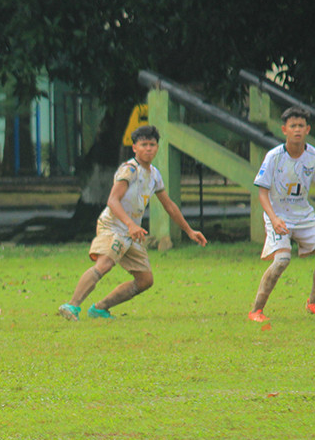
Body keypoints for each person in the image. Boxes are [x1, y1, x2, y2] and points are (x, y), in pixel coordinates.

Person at [57, 125, 207, 321]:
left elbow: (169, 205)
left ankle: (100, 308)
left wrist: (189, 231)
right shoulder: (129, 170)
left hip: (130, 231)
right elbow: (112, 200)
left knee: (145, 280)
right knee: (105, 264)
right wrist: (130, 224)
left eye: (152, 144)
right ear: (134, 147)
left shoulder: (154, 174)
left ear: (157, 147)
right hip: (113, 226)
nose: (148, 148)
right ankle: (72, 306)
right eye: (143, 144)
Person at [248, 106, 315, 322]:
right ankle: (256, 309)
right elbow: (262, 192)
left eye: (301, 126)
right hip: (278, 214)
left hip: (303, 215)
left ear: (308, 129)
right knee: (282, 260)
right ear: (284, 129)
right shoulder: (273, 157)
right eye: (293, 126)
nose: (297, 130)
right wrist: (274, 218)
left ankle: (314, 302)